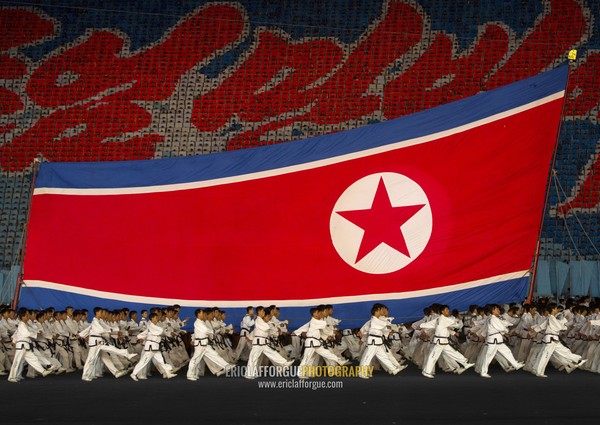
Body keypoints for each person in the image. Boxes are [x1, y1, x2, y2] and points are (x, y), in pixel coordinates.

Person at [529, 303, 587, 377]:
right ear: (553, 309)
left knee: (564, 351)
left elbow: (541, 326)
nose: (557, 310)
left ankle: (577, 360)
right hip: (551, 339)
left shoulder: (551, 318)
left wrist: (534, 330)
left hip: (553, 339)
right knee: (545, 356)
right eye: (556, 308)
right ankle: (538, 371)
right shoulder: (551, 318)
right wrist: (564, 324)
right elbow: (559, 327)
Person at [420, 305, 474, 378]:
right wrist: (459, 320)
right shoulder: (444, 319)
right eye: (447, 310)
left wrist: (421, 325)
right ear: (442, 311)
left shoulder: (438, 319)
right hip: (440, 341)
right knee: (433, 356)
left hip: (443, 341)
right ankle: (427, 371)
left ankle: (465, 363)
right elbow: (457, 325)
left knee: (452, 352)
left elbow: (428, 324)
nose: (448, 311)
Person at [297, 306, 349, 379]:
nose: (320, 314)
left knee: (325, 354)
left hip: (316, 343)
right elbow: (324, 326)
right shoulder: (314, 321)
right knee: (307, 358)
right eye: (319, 313)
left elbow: (325, 329)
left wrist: (331, 332)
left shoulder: (318, 321)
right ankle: (300, 373)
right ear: (314, 314)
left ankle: (339, 361)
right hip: (311, 343)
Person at [358, 303, 406, 378]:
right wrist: (389, 319)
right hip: (373, 341)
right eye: (381, 310)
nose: (382, 312)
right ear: (378, 310)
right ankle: (362, 373)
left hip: (378, 341)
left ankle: (394, 369)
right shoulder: (374, 320)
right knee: (367, 357)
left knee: (383, 356)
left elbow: (386, 326)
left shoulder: (377, 320)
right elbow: (384, 324)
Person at [244, 307, 293, 379]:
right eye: (263, 311)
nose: (264, 313)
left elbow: (269, 328)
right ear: (259, 312)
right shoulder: (258, 320)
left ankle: (285, 363)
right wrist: (270, 325)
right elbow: (266, 328)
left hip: (263, 342)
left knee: (273, 353)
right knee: (253, 358)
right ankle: (249, 374)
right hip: (258, 343)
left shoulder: (262, 321)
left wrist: (274, 327)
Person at [478, 304, 524, 378]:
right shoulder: (493, 318)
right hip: (494, 340)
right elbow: (500, 327)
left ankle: (516, 364)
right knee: (488, 356)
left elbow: (501, 325)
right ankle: (483, 372)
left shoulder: (494, 318)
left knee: (507, 351)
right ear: (493, 310)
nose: (499, 311)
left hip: (497, 339)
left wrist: (507, 326)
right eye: (497, 309)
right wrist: (505, 331)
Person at [187, 308, 234, 381]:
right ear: (198, 314)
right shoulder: (197, 322)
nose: (203, 315)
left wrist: (212, 332)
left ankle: (226, 365)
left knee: (214, 355)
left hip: (205, 344)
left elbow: (206, 330)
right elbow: (205, 330)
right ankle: (190, 374)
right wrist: (212, 332)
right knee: (195, 359)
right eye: (202, 313)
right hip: (200, 345)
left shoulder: (201, 322)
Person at [8, 309, 53, 382]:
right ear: (23, 317)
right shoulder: (21, 325)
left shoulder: (25, 325)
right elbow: (26, 334)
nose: (28, 317)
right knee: (17, 361)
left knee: (33, 358)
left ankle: (42, 371)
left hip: (26, 345)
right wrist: (35, 334)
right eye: (27, 315)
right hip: (22, 345)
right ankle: (12, 377)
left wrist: (36, 332)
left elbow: (27, 332)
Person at [131, 312, 177, 380]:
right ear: (152, 318)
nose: (157, 319)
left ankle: (168, 373)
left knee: (161, 360)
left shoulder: (152, 327)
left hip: (155, 346)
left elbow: (145, 332)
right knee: (144, 361)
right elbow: (161, 331)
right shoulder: (151, 326)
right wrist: (139, 337)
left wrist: (139, 336)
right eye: (156, 318)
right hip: (151, 347)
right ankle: (133, 374)